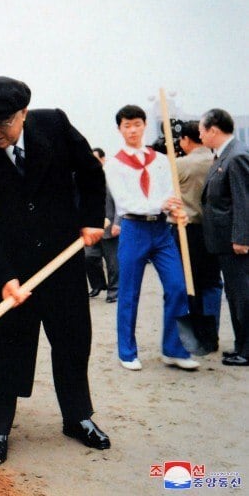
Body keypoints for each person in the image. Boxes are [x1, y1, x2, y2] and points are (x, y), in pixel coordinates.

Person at [0, 76, 110, 465]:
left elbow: (89, 171)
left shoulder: (53, 124)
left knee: (72, 342)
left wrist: (91, 218)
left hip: (59, 260)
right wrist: (4, 277)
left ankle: (78, 417)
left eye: (2, 123)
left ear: (23, 113)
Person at [104, 105, 199, 372]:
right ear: (120, 129)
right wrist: (161, 204)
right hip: (134, 230)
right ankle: (127, 351)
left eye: (137, 124)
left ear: (144, 125)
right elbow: (126, 202)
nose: (132, 130)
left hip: (162, 232)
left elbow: (170, 193)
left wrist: (176, 209)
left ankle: (174, 348)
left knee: (178, 287)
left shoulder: (160, 160)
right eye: (127, 125)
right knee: (129, 293)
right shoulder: (114, 164)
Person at [199, 108, 249, 367]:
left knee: (243, 295)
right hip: (224, 243)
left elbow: (244, 201)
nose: (199, 135)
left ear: (213, 130)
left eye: (201, 130)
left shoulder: (237, 156)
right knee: (234, 294)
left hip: (236, 243)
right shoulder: (222, 156)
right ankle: (241, 345)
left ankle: (247, 350)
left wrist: (242, 237)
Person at [171, 121, 222, 348]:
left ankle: (194, 336)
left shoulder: (180, 165)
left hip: (186, 230)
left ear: (185, 140)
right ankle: (212, 334)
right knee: (212, 282)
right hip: (213, 230)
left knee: (189, 282)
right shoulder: (217, 161)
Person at [85, 147, 120, 303]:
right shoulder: (86, 178)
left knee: (112, 262)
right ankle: (98, 284)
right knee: (89, 257)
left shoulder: (111, 178)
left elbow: (120, 202)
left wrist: (117, 223)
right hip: (92, 228)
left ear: (103, 159)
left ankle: (114, 291)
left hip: (109, 226)